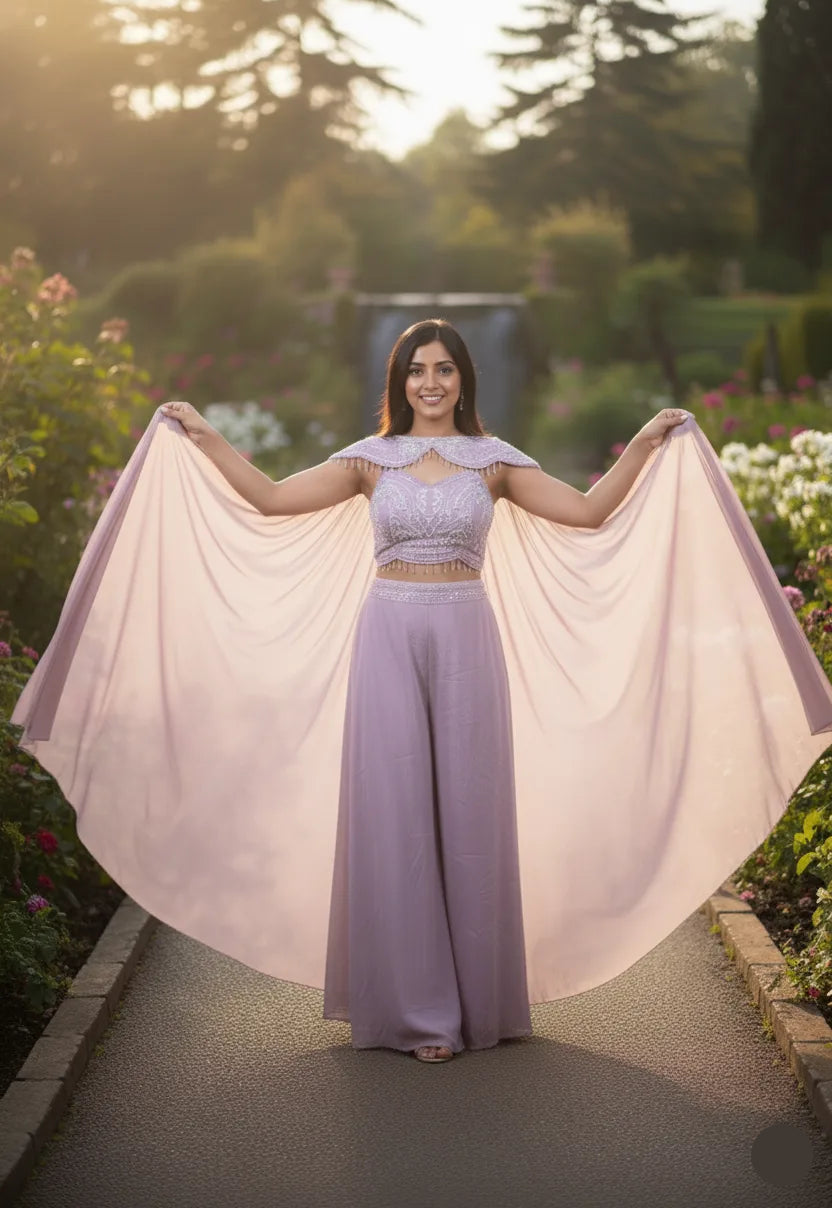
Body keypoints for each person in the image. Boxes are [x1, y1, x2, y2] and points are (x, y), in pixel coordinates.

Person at [12, 320, 832, 1069]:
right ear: (400, 380)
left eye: (443, 370)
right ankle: (419, 1014)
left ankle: (481, 1003)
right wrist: (203, 435)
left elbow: (585, 514)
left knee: (471, 816)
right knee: (397, 813)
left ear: (462, 380)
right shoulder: (369, 460)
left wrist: (650, 443)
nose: (430, 383)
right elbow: (267, 499)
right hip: (389, 634)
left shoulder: (497, 462)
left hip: (468, 634)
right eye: (417, 370)